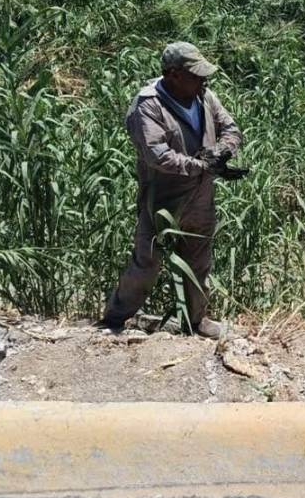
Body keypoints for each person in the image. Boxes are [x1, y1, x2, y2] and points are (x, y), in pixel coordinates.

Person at [98, 42, 242, 338]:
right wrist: (202, 165)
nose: (203, 80)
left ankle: (195, 321)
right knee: (147, 263)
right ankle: (115, 318)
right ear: (173, 74)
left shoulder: (204, 96)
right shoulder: (148, 105)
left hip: (201, 197)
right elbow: (157, 155)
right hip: (162, 199)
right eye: (196, 75)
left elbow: (230, 129)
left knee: (198, 261)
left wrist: (221, 154)